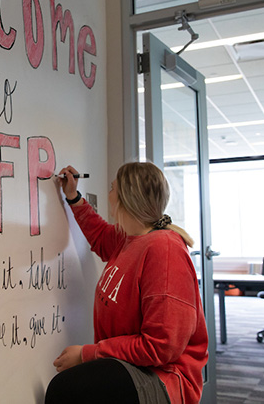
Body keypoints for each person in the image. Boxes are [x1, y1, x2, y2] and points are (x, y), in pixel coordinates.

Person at [45, 162, 208, 404]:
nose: (109, 193)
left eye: (112, 188)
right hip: (132, 364)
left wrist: (87, 354)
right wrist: (73, 196)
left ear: (124, 198)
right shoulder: (129, 239)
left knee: (66, 389)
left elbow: (161, 347)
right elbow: (100, 235)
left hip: (164, 378)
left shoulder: (164, 250)